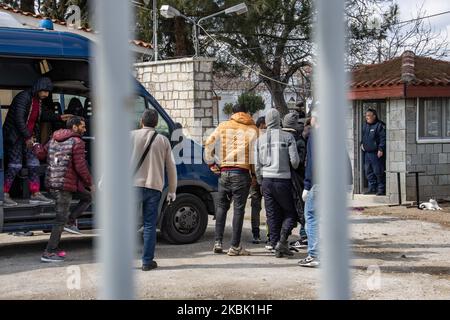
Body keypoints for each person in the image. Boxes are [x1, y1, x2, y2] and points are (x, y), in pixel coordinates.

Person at [3, 77, 72, 206]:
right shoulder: (23, 97)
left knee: (34, 164)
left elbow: (43, 115)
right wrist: (27, 137)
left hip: (29, 137)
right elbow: (19, 119)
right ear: (38, 88)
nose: (46, 94)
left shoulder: (37, 101)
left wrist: (59, 117)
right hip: (15, 137)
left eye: (48, 92)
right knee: (15, 165)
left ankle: (35, 194)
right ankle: (4, 194)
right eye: (44, 91)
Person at [33, 116, 94, 262]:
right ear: (74, 127)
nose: (84, 129)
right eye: (82, 126)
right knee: (60, 219)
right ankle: (48, 252)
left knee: (88, 197)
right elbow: (81, 166)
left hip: (53, 183)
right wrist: (90, 183)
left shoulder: (54, 138)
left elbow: (41, 153)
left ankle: (70, 221)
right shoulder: (77, 142)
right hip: (64, 186)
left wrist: (35, 144)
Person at [298, 112, 353, 268]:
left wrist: (307, 185)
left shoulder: (315, 136)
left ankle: (314, 254)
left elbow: (312, 162)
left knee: (312, 216)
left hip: (319, 183)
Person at [205, 103, 258, 256]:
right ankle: (234, 246)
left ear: (232, 113)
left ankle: (218, 242)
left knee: (222, 207)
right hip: (242, 173)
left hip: (224, 171)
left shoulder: (223, 126)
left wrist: (212, 165)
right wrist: (254, 175)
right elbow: (255, 155)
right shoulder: (253, 129)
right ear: (246, 112)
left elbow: (209, 143)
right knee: (239, 209)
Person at [131, 109, 177, 271]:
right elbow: (171, 167)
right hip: (154, 187)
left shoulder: (130, 136)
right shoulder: (163, 140)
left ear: (141, 121)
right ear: (156, 123)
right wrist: (172, 190)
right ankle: (147, 262)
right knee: (150, 225)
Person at [255, 109, 300, 258]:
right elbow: (294, 162)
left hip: (266, 181)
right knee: (291, 212)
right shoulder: (287, 137)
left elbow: (257, 166)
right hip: (283, 180)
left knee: (272, 214)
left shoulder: (259, 140)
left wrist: (261, 182)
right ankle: (282, 241)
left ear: (267, 122)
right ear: (279, 120)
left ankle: (274, 244)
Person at [281, 112, 308, 249]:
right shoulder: (297, 139)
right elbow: (299, 162)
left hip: (287, 179)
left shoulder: (281, 138)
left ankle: (299, 237)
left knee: (292, 209)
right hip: (296, 179)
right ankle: (304, 236)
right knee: (300, 208)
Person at [361, 109, 386, 196]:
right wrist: (362, 144)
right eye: (366, 115)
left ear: (374, 116)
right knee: (368, 171)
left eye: (368, 115)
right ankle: (372, 188)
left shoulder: (379, 125)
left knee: (378, 171)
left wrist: (381, 149)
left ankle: (381, 189)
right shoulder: (365, 125)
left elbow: (383, 139)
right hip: (367, 153)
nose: (366, 117)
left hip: (376, 153)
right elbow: (362, 136)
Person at [249, 116, 266, 244]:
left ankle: (271, 234)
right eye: (264, 127)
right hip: (256, 179)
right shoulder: (255, 141)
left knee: (270, 207)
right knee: (256, 207)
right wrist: (254, 176)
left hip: (267, 178)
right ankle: (256, 233)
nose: (266, 129)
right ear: (259, 126)